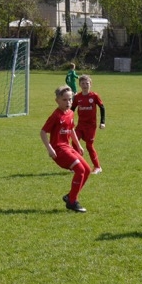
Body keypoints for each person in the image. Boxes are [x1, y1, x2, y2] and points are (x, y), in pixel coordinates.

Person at [40, 85, 91, 213]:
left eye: (70, 99)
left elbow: (71, 129)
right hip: (59, 150)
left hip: (68, 147)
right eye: (64, 100)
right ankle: (72, 202)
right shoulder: (56, 116)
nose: (68, 102)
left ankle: (70, 196)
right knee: (80, 170)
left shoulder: (70, 113)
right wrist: (49, 149)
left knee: (87, 170)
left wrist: (78, 145)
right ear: (57, 100)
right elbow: (43, 132)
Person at [72, 74, 105, 174]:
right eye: (83, 83)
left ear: (90, 84)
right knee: (74, 142)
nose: (85, 85)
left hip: (91, 126)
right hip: (80, 125)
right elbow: (72, 109)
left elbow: (102, 107)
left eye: (87, 83)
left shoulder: (94, 96)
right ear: (79, 85)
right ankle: (79, 165)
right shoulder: (77, 97)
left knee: (89, 146)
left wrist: (102, 122)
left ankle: (97, 167)